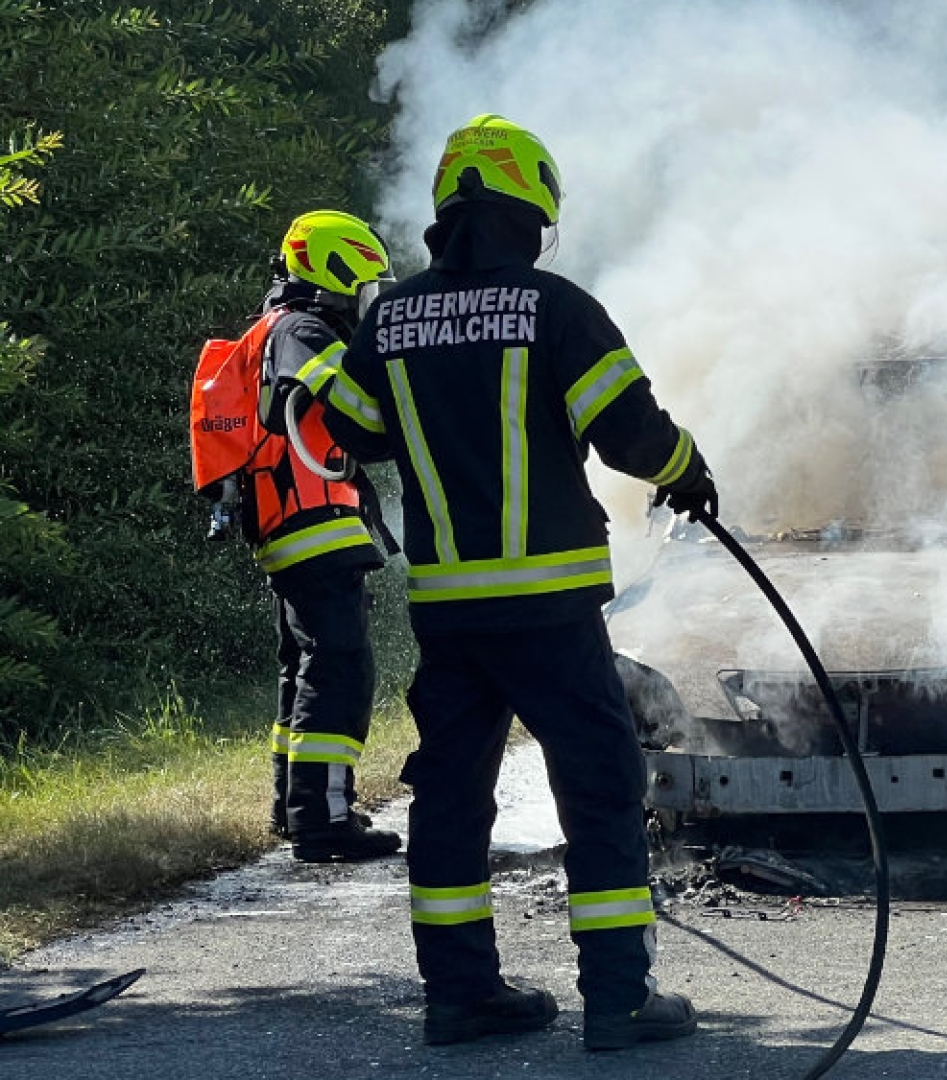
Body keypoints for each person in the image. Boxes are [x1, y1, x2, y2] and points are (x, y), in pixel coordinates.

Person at [312, 114, 716, 1049]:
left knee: (452, 797)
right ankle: (618, 999)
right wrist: (688, 470)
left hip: (449, 613)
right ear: (529, 206)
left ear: (449, 209)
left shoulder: (393, 316)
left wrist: (339, 356)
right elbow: (631, 435)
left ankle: (459, 995)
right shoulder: (556, 308)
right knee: (601, 784)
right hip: (551, 609)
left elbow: (356, 434)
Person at [190, 210, 403, 864]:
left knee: (305, 667)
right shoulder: (306, 329)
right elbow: (347, 401)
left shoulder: (274, 328)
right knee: (338, 666)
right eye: (365, 288)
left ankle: (293, 806)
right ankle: (324, 818)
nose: (368, 305)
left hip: (293, 526)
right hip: (312, 524)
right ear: (335, 277)